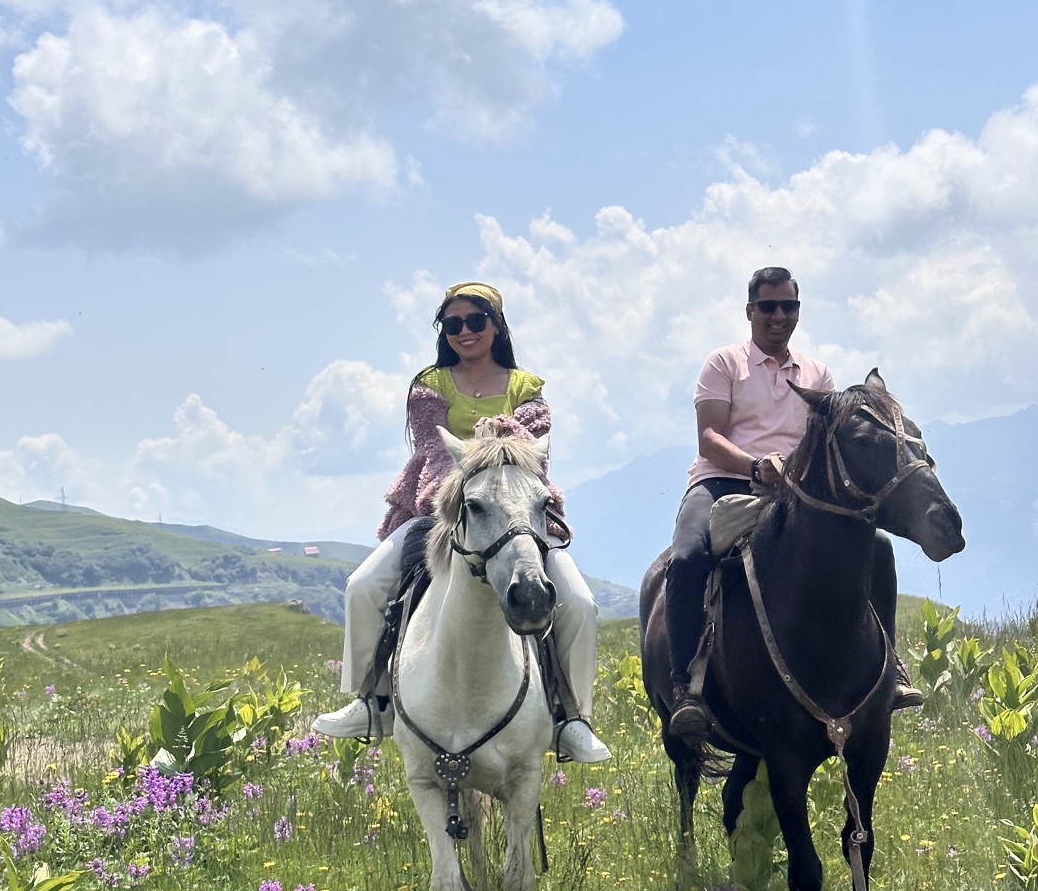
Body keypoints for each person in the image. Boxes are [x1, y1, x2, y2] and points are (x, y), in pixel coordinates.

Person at [313, 282, 610, 764]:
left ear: (496, 325)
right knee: (363, 586)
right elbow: (434, 450)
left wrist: (498, 454)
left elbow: (533, 455)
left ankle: (572, 718)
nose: (465, 332)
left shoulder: (526, 387)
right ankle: (373, 700)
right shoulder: (429, 384)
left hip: (516, 514)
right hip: (441, 509)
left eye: (476, 321)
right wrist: (490, 449)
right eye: (453, 324)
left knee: (579, 603)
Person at [665, 265, 921, 740]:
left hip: (793, 492)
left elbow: (826, 441)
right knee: (686, 558)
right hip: (724, 482)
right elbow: (709, 438)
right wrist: (756, 465)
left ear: (798, 311)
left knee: (878, 549)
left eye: (789, 306)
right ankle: (685, 686)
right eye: (768, 306)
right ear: (750, 311)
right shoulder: (724, 363)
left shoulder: (816, 373)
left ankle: (892, 671)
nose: (779, 315)